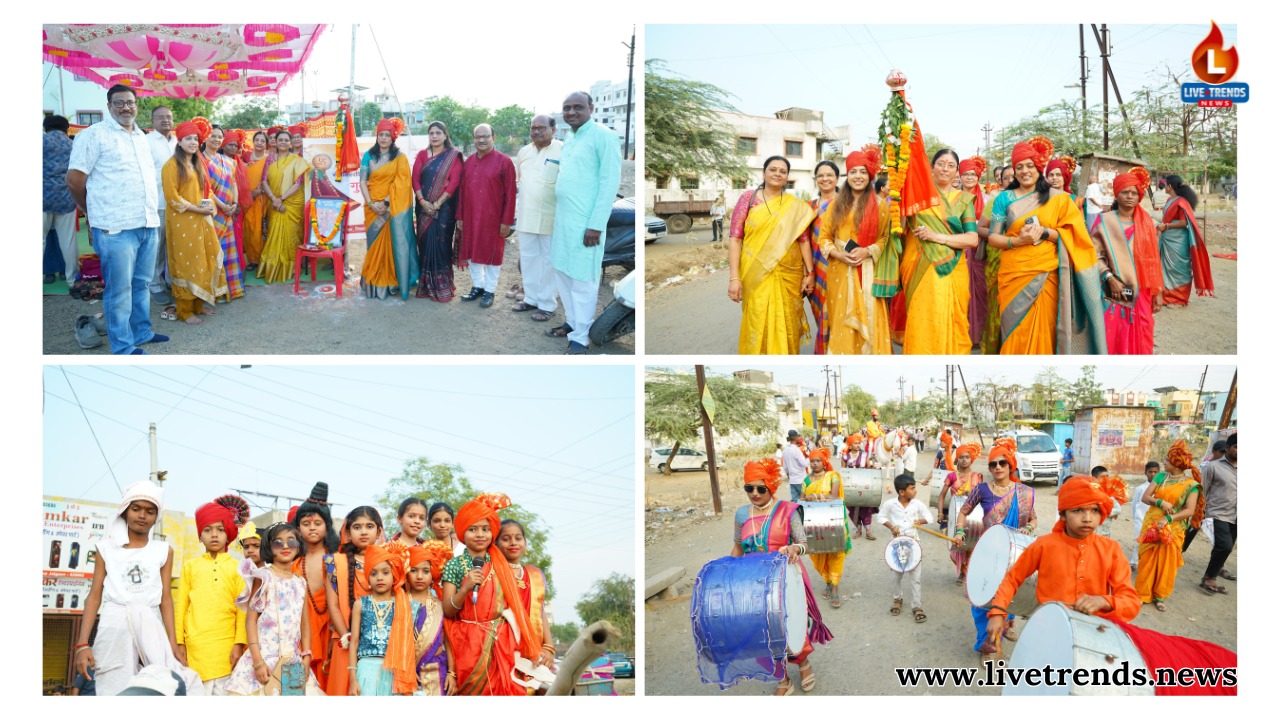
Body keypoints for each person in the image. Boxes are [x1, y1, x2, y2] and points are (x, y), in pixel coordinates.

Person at [73, 480, 201, 696]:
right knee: (112, 685)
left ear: (156, 517)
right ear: (125, 511)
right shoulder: (105, 548)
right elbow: (94, 596)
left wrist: (172, 643)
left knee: (160, 684)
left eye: (150, 511)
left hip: (151, 624)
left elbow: (166, 599)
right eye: (136, 509)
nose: (142, 515)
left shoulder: (163, 550)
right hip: (114, 623)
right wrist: (82, 644)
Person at [984, 477, 1140, 654]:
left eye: (1095, 510)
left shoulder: (1111, 549)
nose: (1088, 518)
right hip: (1048, 629)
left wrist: (1104, 601)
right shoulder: (1043, 545)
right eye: (1078, 510)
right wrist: (998, 611)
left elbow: (1131, 602)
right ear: (1063, 514)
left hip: (1094, 636)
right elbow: (1012, 579)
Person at [65, 84, 167, 355]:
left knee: (141, 283)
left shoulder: (141, 137)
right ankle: (122, 346)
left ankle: (142, 332)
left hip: (147, 223)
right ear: (109, 106)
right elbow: (74, 180)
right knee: (119, 290)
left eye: (130, 102)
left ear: (137, 106)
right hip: (115, 227)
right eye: (119, 103)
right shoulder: (93, 135)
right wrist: (90, 210)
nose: (126, 107)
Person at [987, 138, 1105, 354]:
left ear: (1038, 168)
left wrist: (1044, 232)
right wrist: (1017, 241)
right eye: (1019, 167)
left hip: (1046, 275)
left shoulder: (1058, 199)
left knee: (1045, 331)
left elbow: (1075, 236)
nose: (1025, 171)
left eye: (1029, 165)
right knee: (1014, 332)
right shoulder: (1003, 199)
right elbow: (993, 237)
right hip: (1014, 274)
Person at [731, 459, 832, 695]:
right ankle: (783, 679)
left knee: (792, 625)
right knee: (761, 631)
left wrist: (795, 548)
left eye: (761, 488)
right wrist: (729, 575)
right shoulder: (741, 514)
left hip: (786, 580)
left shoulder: (788, 510)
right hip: (754, 582)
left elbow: (804, 543)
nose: (755, 494)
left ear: (771, 486)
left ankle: (803, 664)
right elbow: (737, 546)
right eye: (749, 488)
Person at [441, 493, 539, 695]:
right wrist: (465, 588)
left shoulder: (501, 564)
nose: (480, 535)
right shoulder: (454, 565)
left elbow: (517, 607)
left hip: (502, 642)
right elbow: (448, 610)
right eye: (473, 529)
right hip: (467, 644)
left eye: (485, 529)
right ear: (462, 532)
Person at [547, 91, 623, 354]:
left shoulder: (604, 136)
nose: (571, 112)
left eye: (578, 107)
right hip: (563, 221)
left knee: (582, 280)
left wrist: (596, 225)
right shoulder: (570, 137)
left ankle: (580, 337)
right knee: (562, 273)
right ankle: (572, 322)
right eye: (566, 108)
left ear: (591, 107)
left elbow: (609, 182)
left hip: (586, 224)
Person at [955, 439, 1037, 662]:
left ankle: (1003, 629)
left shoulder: (1024, 493)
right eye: (993, 464)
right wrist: (960, 531)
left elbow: (1033, 519)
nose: (998, 467)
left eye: (1002, 463)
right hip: (988, 551)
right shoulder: (982, 489)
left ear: (1011, 466)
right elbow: (963, 512)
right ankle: (987, 643)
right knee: (983, 599)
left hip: (1014, 553)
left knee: (1009, 595)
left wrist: (1029, 528)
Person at [728, 156, 817, 354]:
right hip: (756, 273)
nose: (777, 174)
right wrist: (734, 278)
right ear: (764, 173)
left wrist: (810, 273)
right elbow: (735, 239)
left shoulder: (795, 206)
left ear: (787, 177)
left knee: (788, 320)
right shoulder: (748, 199)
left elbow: (803, 240)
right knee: (757, 317)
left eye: (782, 171)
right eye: (773, 169)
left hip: (789, 274)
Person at [224, 522, 323, 695]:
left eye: (291, 542)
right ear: (268, 547)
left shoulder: (300, 582)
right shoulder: (263, 577)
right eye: (278, 542)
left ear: (298, 546)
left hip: (292, 662)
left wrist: (306, 657)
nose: (285, 546)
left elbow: (305, 625)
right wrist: (257, 662)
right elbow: (251, 621)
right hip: (264, 659)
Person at [900, 149, 980, 354]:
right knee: (922, 319)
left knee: (952, 320)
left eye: (951, 165)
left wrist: (936, 237)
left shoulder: (963, 200)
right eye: (941, 164)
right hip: (918, 266)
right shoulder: (917, 196)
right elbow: (900, 229)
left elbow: (972, 239)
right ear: (932, 167)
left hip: (952, 269)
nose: (945, 169)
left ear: (957, 172)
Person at [819, 147, 892, 354]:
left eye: (862, 172)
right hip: (840, 271)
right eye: (853, 172)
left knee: (871, 319)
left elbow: (885, 238)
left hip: (868, 271)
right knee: (842, 321)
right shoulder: (835, 205)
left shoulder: (880, 205)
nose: (858, 176)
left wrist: (867, 251)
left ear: (869, 176)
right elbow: (824, 238)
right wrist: (838, 254)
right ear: (847, 175)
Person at [175, 497, 249, 694]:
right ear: (200, 536)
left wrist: (239, 644)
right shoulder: (190, 567)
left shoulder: (238, 568)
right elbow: (181, 606)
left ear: (228, 534)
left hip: (226, 649)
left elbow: (242, 611)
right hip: (195, 648)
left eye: (220, 529)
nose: (214, 535)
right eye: (207, 530)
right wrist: (179, 642)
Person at [161, 119, 228, 324]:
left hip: (201, 220)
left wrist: (210, 207)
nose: (192, 142)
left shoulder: (198, 163)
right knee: (185, 264)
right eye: (188, 139)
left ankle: (198, 305)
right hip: (182, 222)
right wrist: (199, 210)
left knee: (201, 261)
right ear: (179, 141)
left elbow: (206, 191)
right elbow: (172, 198)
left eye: (195, 139)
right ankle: (184, 311)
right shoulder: (171, 165)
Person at [1090, 170, 1163, 354]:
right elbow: (1093, 255)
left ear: (1139, 196)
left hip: (1142, 290)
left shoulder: (1148, 224)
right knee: (1113, 335)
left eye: (1134, 193)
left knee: (1143, 334)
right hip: (1114, 290)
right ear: (1117, 194)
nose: (1130, 196)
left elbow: (1153, 260)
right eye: (1125, 192)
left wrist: (1158, 291)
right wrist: (1109, 277)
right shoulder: (1104, 222)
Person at [1135, 440, 1203, 612]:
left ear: (1176, 464)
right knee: (1147, 560)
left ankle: (1160, 596)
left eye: (1167, 460)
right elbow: (1145, 497)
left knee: (1167, 563)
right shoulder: (1160, 477)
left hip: (1174, 528)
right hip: (1152, 523)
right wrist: (1161, 502)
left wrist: (1168, 519)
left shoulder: (1191, 485)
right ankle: (1142, 594)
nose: (1164, 462)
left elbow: (1189, 511)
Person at [324, 506, 384, 697]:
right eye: (357, 527)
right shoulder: (334, 562)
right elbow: (333, 606)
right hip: (345, 642)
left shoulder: (388, 562)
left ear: (379, 532)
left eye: (369, 526)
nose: (364, 532)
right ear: (348, 533)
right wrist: (348, 639)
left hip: (380, 646)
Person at [457, 123, 516, 308]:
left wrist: (506, 221)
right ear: (473, 139)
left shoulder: (505, 162)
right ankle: (478, 286)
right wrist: (460, 216)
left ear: (493, 138)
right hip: (470, 216)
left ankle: (489, 290)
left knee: (493, 254)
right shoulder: (469, 162)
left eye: (485, 136)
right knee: (472, 252)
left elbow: (511, 195)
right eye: (478, 137)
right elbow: (462, 192)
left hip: (494, 219)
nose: (481, 140)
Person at [347, 543, 419, 696]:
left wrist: (410, 671)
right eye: (373, 574)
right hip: (366, 669)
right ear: (368, 577)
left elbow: (409, 642)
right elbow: (354, 642)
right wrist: (353, 679)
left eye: (385, 572)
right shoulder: (360, 604)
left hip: (394, 671)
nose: (379, 577)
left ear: (394, 575)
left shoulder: (402, 604)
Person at [357, 118, 416, 299]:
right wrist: (371, 203)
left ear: (393, 137)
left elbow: (402, 183)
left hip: (390, 207)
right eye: (380, 135)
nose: (383, 138)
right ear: (377, 136)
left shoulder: (400, 158)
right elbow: (362, 181)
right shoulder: (368, 156)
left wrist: (385, 203)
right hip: (371, 208)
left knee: (392, 245)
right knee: (374, 246)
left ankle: (392, 281)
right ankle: (374, 282)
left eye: (387, 135)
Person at [497, 519, 557, 689]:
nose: (513, 542)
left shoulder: (534, 575)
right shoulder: (493, 572)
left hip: (534, 653)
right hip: (504, 651)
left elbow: (540, 612)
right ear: (495, 544)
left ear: (525, 542)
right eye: (506, 539)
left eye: (518, 538)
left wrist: (549, 647)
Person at [512, 115, 562, 320]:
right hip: (526, 215)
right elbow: (520, 181)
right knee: (528, 259)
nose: (537, 131)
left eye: (542, 127)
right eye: (533, 128)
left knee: (550, 262)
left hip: (553, 216)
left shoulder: (563, 150)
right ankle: (531, 299)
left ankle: (547, 304)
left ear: (553, 130)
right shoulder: (524, 152)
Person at [291, 483, 339, 688]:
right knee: (293, 689)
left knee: (328, 690)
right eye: (306, 523)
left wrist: (336, 635)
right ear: (297, 528)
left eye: (318, 523)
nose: (312, 527)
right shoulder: (291, 562)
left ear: (327, 526)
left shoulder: (337, 559)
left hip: (329, 634)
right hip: (295, 637)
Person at [879, 474, 934, 623]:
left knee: (915, 577)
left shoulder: (917, 504)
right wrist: (891, 527)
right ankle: (897, 599)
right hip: (896, 544)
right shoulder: (890, 504)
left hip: (914, 543)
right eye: (912, 488)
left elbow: (930, 517)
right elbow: (881, 517)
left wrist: (920, 521)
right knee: (896, 575)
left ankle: (917, 606)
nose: (915, 491)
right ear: (902, 492)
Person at [257, 130, 310, 283]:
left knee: (292, 234)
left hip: (292, 202)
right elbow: (264, 181)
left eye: (286, 140)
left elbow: (298, 184)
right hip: (274, 202)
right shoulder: (270, 159)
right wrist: (274, 199)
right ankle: (272, 267)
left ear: (290, 142)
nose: (283, 142)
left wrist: (281, 199)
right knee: (274, 233)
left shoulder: (297, 160)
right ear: (275, 142)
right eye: (280, 139)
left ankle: (292, 268)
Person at [802, 448, 851, 606]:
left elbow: (834, 496)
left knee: (836, 553)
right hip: (815, 524)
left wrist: (815, 496)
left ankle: (835, 588)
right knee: (818, 554)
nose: (815, 464)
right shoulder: (806, 480)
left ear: (824, 462)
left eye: (818, 461)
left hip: (833, 520)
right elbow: (801, 500)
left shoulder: (832, 476)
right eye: (812, 461)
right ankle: (828, 582)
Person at [406, 540, 456, 695]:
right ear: (406, 572)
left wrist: (451, 672)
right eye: (413, 570)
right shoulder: (399, 603)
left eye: (426, 571)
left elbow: (448, 640)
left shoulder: (440, 604)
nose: (419, 576)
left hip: (438, 671)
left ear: (433, 573)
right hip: (407, 673)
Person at [202, 124, 244, 301]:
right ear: (205, 137)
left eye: (220, 137)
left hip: (228, 212)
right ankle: (215, 292)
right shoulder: (199, 160)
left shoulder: (229, 161)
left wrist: (234, 203)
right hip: (212, 212)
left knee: (228, 251)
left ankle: (231, 289)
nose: (216, 139)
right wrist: (222, 205)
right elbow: (205, 189)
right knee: (213, 251)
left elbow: (233, 182)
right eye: (213, 136)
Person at [1158, 174, 1214, 306]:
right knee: (1166, 268)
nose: (1164, 187)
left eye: (1165, 185)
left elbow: (1183, 223)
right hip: (1167, 238)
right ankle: (1167, 296)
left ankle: (1179, 298)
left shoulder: (1181, 202)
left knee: (1178, 268)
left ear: (1169, 186)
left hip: (1178, 241)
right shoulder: (1169, 200)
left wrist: (1166, 226)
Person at [938, 442, 983, 583]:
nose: (964, 460)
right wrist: (940, 513)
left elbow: (983, 496)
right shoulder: (952, 476)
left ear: (971, 459)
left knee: (971, 546)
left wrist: (973, 495)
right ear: (957, 459)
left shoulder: (977, 476)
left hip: (973, 516)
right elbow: (942, 495)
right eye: (961, 457)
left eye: (967, 457)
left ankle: (965, 573)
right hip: (956, 516)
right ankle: (964, 570)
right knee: (955, 549)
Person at [808, 160, 840, 354]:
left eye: (829, 175)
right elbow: (802, 240)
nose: (825, 179)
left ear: (837, 178)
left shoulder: (846, 203)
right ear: (816, 179)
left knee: (836, 313)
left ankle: (832, 353)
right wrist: (807, 272)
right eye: (820, 175)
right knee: (820, 314)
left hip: (839, 266)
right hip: (814, 267)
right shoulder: (808, 207)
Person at [145, 104, 176, 306]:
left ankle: (173, 282)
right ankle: (154, 286)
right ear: (153, 121)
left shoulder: (178, 142)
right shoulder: (146, 142)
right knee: (156, 248)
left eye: (168, 117)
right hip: (156, 203)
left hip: (178, 205)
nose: (165, 120)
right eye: (160, 117)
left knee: (174, 247)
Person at [1198, 433, 1237, 595]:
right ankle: (1209, 578)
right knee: (1224, 545)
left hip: (1237, 515)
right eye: (1237, 447)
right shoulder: (1212, 467)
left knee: (1226, 546)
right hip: (1217, 513)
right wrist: (1200, 512)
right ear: (1227, 448)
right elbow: (1202, 491)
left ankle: (1213, 572)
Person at [43, 114, 78, 284]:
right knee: (68, 242)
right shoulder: (73, 145)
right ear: (66, 129)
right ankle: (72, 280)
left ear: (46, 128)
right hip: (66, 198)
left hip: (42, 198)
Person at [958, 156, 988, 349]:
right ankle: (961, 334)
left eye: (973, 174)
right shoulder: (953, 197)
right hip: (958, 251)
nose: (970, 177)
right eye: (966, 174)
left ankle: (978, 335)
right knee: (962, 293)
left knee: (980, 294)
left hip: (980, 253)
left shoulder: (987, 199)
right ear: (960, 176)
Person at [1185, 440, 1228, 551]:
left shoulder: (1223, 466)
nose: (1224, 455)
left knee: (1198, 526)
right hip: (1202, 501)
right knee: (1193, 525)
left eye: (1226, 452)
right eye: (1222, 452)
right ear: (1214, 451)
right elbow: (1200, 485)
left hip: (1214, 504)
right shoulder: (1206, 465)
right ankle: (1180, 549)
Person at [220, 130, 251, 273]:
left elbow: (243, 186)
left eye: (235, 145)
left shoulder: (239, 163)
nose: (233, 148)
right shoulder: (218, 161)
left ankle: (238, 269)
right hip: (221, 206)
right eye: (230, 145)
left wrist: (238, 204)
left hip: (237, 207)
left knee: (238, 237)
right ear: (223, 145)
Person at [241, 131, 271, 270]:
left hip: (265, 198)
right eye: (257, 140)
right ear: (253, 142)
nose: (259, 143)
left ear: (266, 144)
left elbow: (273, 177)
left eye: (262, 141)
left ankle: (264, 259)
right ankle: (253, 260)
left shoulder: (270, 158)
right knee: (250, 227)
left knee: (263, 228)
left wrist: (262, 191)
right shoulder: (246, 157)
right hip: (248, 198)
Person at [1130, 461, 1159, 568]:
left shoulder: (1161, 489)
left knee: (1153, 544)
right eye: (1150, 472)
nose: (1152, 474)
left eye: (1155, 472)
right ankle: (1134, 562)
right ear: (1145, 472)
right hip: (1141, 520)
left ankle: (1147, 564)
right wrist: (1136, 519)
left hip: (1155, 522)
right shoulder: (1140, 488)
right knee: (1139, 542)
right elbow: (1134, 505)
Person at [781, 429, 809, 503]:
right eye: (798, 436)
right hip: (801, 479)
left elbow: (785, 468)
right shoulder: (796, 450)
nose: (799, 438)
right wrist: (809, 457)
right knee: (804, 500)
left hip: (792, 481)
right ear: (795, 438)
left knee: (795, 501)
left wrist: (789, 476)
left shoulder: (785, 450)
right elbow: (805, 464)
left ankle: (795, 511)